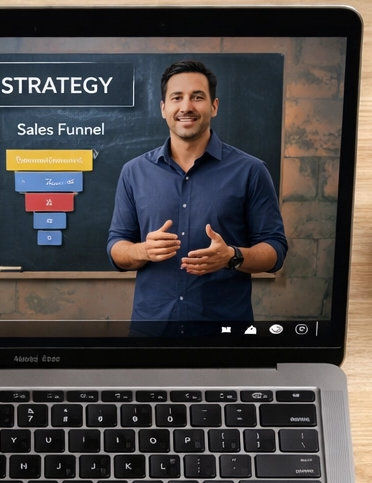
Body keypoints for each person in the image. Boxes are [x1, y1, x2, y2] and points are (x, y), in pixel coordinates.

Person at [106, 60, 287, 334]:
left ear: (214, 106)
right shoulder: (134, 172)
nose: (186, 107)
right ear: (163, 107)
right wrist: (141, 250)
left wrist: (231, 256)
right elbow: (116, 246)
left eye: (197, 97)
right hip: (151, 333)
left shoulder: (251, 171)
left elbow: (275, 251)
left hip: (224, 335)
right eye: (177, 97)